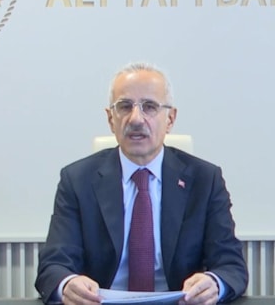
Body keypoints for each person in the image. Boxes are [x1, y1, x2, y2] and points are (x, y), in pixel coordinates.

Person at [35, 62, 248, 305]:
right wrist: (68, 284)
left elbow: (231, 265)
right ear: (110, 119)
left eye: (149, 107)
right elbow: (54, 265)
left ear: (170, 119)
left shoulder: (205, 180)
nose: (136, 119)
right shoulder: (77, 180)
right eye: (125, 106)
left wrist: (213, 283)